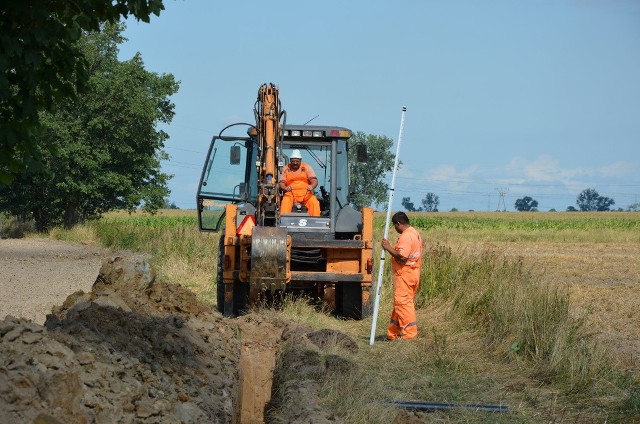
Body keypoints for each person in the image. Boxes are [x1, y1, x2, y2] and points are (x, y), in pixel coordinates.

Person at [381, 211, 423, 340]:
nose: (395, 228)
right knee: (401, 304)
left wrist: (387, 247)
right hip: (412, 273)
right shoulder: (414, 232)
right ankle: (393, 333)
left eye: (395, 226)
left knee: (403, 304)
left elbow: (402, 256)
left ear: (398, 223)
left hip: (405, 274)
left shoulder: (406, 236)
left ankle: (409, 335)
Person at [278, 149, 320, 216]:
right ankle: (283, 220)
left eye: (297, 161)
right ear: (290, 161)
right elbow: (281, 183)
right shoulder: (286, 169)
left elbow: (314, 180)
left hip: (306, 193)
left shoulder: (306, 167)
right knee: (285, 201)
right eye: (293, 161)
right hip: (290, 193)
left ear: (300, 161)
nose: (295, 163)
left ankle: (316, 221)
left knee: (314, 202)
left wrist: (311, 186)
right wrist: (285, 188)